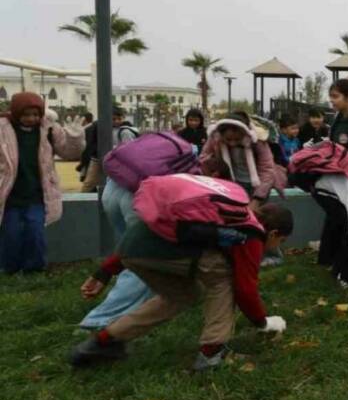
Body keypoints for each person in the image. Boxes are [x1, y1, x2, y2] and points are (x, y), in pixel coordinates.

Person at [70, 203, 293, 370]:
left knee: (183, 295)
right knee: (224, 279)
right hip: (156, 252)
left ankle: (105, 341)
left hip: (132, 247)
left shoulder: (232, 212)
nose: (276, 246)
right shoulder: (252, 235)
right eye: (280, 242)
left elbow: (155, 229)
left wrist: (106, 270)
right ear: (273, 233)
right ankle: (211, 353)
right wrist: (262, 322)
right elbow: (245, 289)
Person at [0, 93, 85, 274]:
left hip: (37, 194)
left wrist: (75, 137)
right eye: (26, 114)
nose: (32, 119)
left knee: (35, 232)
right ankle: (10, 269)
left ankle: (34, 270)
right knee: (11, 234)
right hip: (8, 194)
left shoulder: (49, 129)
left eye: (35, 114)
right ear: (16, 113)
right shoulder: (2, 128)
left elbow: (69, 153)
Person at [200, 112, 277, 209]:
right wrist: (214, 164)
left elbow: (267, 169)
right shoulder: (216, 139)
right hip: (229, 184)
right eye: (228, 139)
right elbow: (203, 158)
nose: (232, 143)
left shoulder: (258, 141)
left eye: (237, 139)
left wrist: (257, 199)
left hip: (255, 186)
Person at [80, 108, 139, 193]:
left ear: (123, 118)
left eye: (119, 119)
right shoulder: (99, 127)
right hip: (99, 158)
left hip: (114, 160)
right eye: (114, 119)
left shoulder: (125, 130)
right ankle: (83, 200)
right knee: (90, 182)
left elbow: (128, 148)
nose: (116, 121)